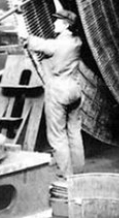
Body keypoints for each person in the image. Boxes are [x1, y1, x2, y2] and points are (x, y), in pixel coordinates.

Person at [20, 9, 84, 178]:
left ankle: (67, 175)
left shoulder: (56, 45)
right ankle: (79, 172)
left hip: (58, 92)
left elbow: (28, 40)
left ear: (66, 25)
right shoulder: (77, 42)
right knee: (74, 132)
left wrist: (19, 19)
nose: (54, 23)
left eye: (58, 21)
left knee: (57, 136)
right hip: (74, 90)